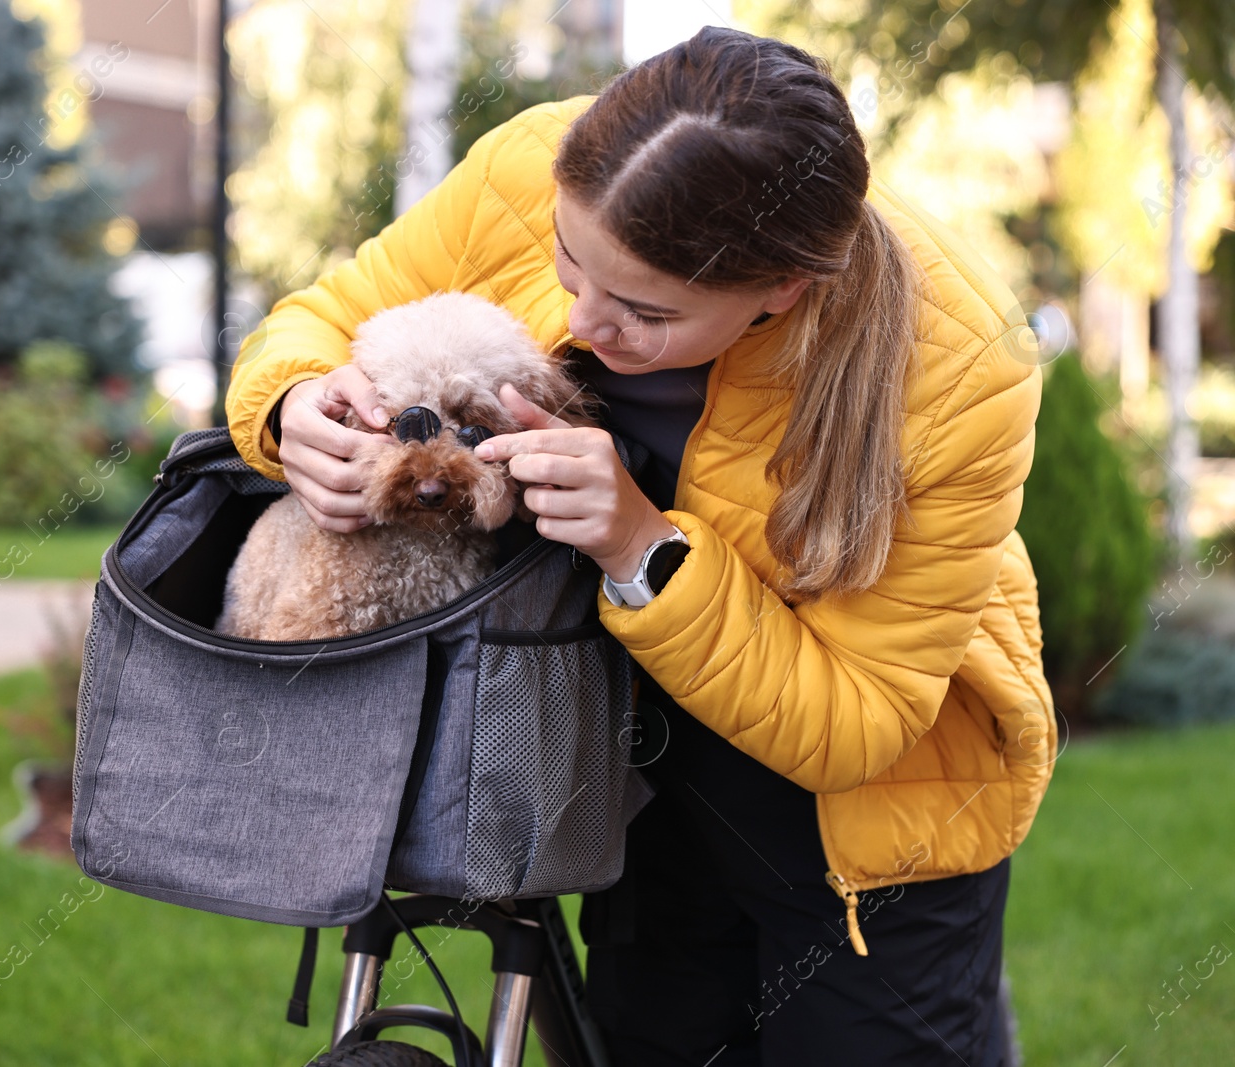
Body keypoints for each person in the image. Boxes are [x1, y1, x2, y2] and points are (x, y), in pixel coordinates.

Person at [225, 27, 1055, 1067]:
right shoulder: (532, 163)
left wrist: (639, 543)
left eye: (644, 311)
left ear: (781, 289)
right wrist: (295, 399)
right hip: (634, 775)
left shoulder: (958, 364)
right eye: (570, 260)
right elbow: (321, 316)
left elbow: (859, 720)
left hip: (873, 838)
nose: (578, 319)